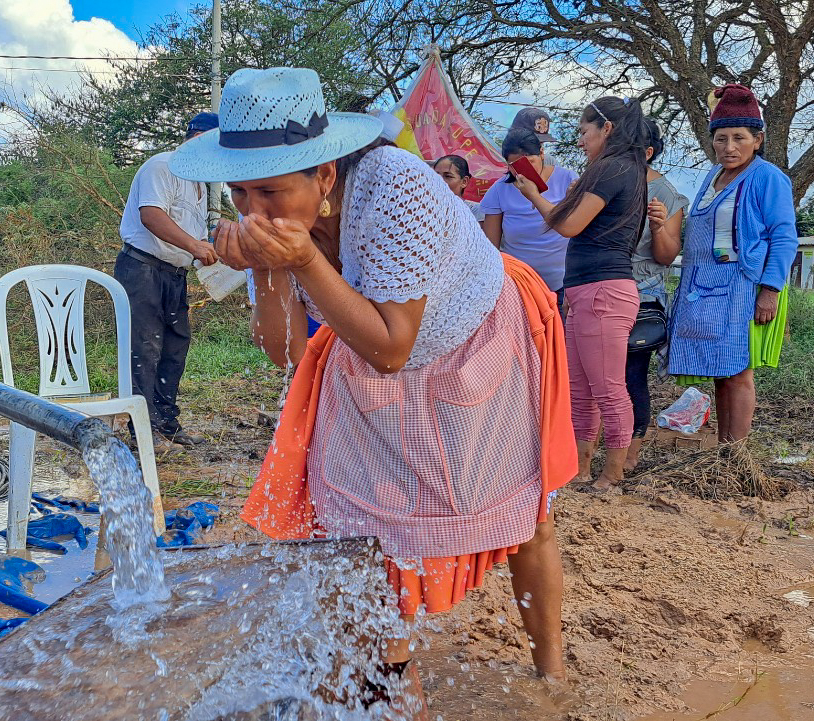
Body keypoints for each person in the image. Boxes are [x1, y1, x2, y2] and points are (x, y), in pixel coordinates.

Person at [172, 67, 574, 699]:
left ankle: (552, 671)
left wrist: (301, 259)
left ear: (324, 174)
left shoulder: (397, 186)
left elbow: (392, 345)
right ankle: (384, 687)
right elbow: (284, 348)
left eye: (270, 192)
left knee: (525, 514)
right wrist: (269, 268)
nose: (254, 211)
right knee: (364, 534)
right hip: (372, 355)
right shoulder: (270, 223)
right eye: (239, 194)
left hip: (475, 339)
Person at [511, 96, 652, 491]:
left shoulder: (611, 168)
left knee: (606, 388)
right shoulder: (623, 170)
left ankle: (612, 473)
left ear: (606, 129)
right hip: (591, 290)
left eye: (584, 131)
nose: (580, 140)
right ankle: (582, 468)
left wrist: (532, 195)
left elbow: (569, 225)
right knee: (582, 388)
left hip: (603, 291)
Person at [665, 84, 798, 442]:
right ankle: (724, 451)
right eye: (721, 138)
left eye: (739, 137)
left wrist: (769, 291)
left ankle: (736, 458)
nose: (729, 147)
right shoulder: (712, 176)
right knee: (721, 372)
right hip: (708, 290)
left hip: (747, 288)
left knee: (739, 372)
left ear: (758, 139)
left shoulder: (768, 177)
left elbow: (784, 237)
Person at [114, 112, 221, 447]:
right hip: (142, 268)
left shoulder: (200, 187)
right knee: (144, 348)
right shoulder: (163, 166)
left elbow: (197, 238)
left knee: (175, 347)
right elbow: (152, 215)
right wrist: (194, 246)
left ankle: (165, 422)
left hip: (174, 274)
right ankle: (140, 431)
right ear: (199, 139)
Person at [625, 124, 688, 472]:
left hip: (641, 295)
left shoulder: (665, 193)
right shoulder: (607, 183)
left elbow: (666, 256)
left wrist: (661, 226)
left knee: (632, 374)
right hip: (600, 288)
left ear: (646, 152)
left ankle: (630, 454)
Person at [479, 126, 579, 295]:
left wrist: (534, 195)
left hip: (565, 282)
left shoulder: (568, 180)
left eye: (530, 162)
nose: (524, 171)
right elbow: (491, 248)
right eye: (515, 165)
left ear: (541, 153)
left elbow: (576, 227)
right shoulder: (499, 190)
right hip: (520, 285)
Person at [432, 154, 485, 221]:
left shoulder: (476, 211)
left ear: (464, 182)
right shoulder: (422, 209)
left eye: (448, 176)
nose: (440, 180)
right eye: (436, 175)